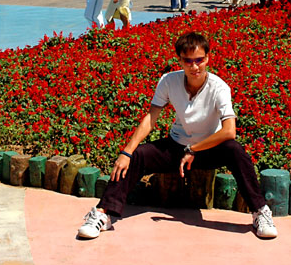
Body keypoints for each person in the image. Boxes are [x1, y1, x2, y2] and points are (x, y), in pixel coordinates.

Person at [77, 32, 278, 240]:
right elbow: (151, 118)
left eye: (199, 60)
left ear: (207, 58)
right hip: (177, 146)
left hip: (207, 149)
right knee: (138, 155)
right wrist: (126, 152)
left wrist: (194, 149)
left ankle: (260, 212)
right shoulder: (169, 81)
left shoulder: (219, 88)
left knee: (235, 150)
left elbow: (229, 131)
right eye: (188, 61)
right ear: (180, 60)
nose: (194, 67)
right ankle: (103, 214)